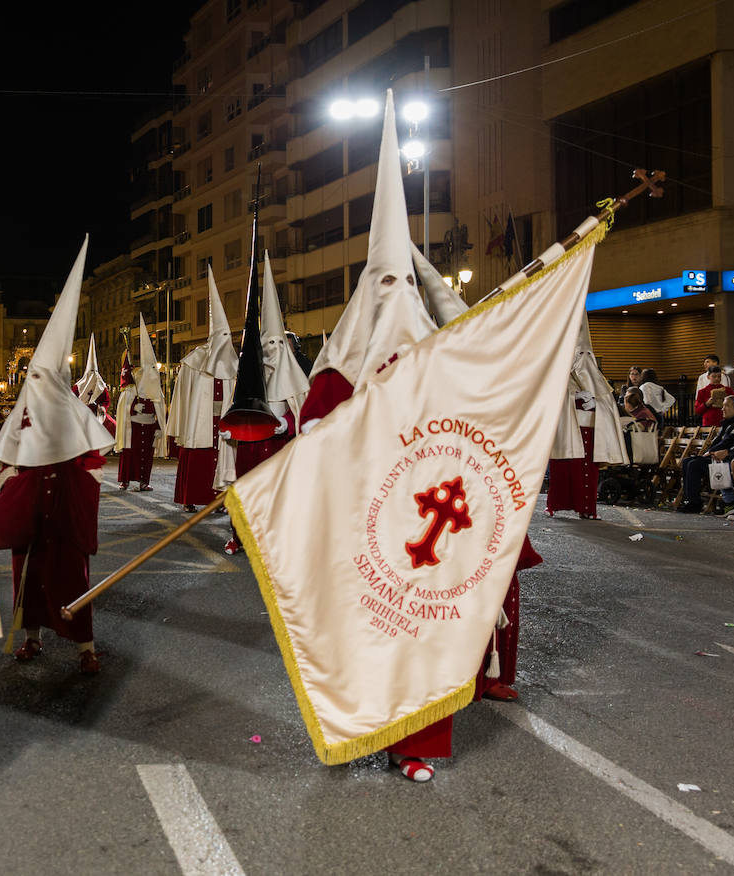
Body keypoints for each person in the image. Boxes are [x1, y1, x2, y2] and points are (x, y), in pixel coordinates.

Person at [297, 91, 539, 781]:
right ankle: (360, 728)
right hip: (361, 526)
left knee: (425, 632)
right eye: (385, 283)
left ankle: (418, 745)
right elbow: (313, 440)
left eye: (407, 283)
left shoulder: (443, 354)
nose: (397, 296)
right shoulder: (337, 370)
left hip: (429, 522)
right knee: (364, 632)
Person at [0, 236, 114, 674]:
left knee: (71, 578)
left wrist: (86, 481)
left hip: (64, 512)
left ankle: (85, 647)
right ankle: (31, 639)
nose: (38, 383)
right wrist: (9, 480)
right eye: (34, 376)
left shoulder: (73, 411)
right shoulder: (23, 410)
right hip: (30, 510)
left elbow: (92, 459)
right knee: (27, 578)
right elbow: (8, 456)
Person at [218, 255, 311, 552]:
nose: (271, 351)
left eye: (276, 345)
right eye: (266, 345)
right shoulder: (249, 372)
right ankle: (240, 537)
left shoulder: (295, 376)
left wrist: (288, 423)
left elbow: (304, 409)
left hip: (279, 447)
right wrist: (229, 429)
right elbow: (239, 404)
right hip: (249, 446)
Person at [166, 269, 237, 511]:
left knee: (224, 460)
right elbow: (184, 397)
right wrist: (182, 425)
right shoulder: (194, 361)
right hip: (200, 422)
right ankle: (190, 498)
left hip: (223, 421)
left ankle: (220, 500)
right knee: (199, 460)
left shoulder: (234, 361)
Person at [548, 323, 628, 519]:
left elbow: (606, 402)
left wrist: (595, 402)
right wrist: (575, 399)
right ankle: (556, 504)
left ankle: (587, 507)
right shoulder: (562, 374)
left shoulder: (594, 375)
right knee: (565, 469)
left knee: (587, 471)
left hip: (591, 429)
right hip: (569, 429)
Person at [113, 316, 167, 491]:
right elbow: (122, 407)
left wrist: (159, 427)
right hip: (134, 427)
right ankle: (125, 480)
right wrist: (131, 408)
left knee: (146, 456)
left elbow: (160, 409)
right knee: (130, 454)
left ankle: (144, 481)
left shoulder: (156, 389)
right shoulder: (131, 388)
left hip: (149, 426)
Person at [72, 334, 115, 436]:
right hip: (81, 415)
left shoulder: (101, 385)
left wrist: (103, 408)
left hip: (98, 415)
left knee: (113, 427)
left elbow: (106, 400)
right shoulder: (78, 386)